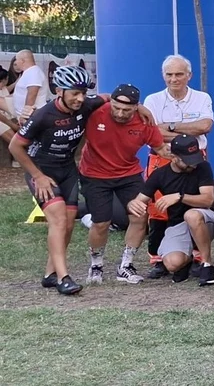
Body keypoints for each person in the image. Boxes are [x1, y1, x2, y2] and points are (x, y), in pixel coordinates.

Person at [11, 66, 107, 295]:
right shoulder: (43, 115)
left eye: (83, 92)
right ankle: (64, 278)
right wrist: (38, 176)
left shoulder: (87, 104)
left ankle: (49, 274)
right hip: (42, 172)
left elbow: (110, 97)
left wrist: (141, 108)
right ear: (58, 91)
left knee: (70, 222)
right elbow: (15, 146)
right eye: (74, 93)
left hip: (67, 170)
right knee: (58, 221)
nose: (80, 98)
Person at [79, 83, 169, 285]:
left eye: (126, 110)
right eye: (116, 108)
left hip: (128, 173)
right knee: (101, 222)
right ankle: (96, 265)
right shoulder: (95, 112)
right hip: (94, 174)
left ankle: (126, 266)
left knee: (140, 216)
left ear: (136, 107)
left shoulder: (145, 121)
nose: (120, 113)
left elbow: (160, 148)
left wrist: (185, 158)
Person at [142, 54, 214, 277]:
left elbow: (204, 126)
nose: (174, 79)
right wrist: (185, 131)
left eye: (179, 74)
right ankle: (157, 258)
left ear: (189, 75)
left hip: (194, 158)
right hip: (160, 156)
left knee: (196, 204)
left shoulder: (201, 97)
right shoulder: (152, 100)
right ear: (163, 76)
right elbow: (151, 132)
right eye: (169, 74)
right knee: (157, 208)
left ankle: (198, 256)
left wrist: (170, 127)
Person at [129, 135, 214, 284]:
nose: (193, 165)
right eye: (188, 161)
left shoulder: (203, 167)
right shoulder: (160, 175)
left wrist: (180, 197)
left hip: (205, 219)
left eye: (195, 158)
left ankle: (207, 265)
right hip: (177, 224)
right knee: (172, 263)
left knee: (192, 215)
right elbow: (139, 200)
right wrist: (133, 205)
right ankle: (187, 260)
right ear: (174, 157)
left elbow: (208, 199)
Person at [9, 49, 47, 121]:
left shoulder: (34, 72)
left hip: (31, 116)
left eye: (17, 60)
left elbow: (32, 94)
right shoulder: (29, 72)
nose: (16, 63)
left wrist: (25, 115)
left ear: (22, 61)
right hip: (25, 114)